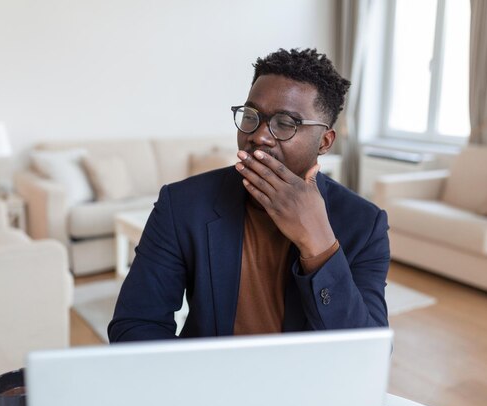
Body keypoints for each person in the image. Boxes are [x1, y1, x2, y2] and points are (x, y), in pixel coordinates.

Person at [108, 48, 390, 342]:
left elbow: (368, 348)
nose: (259, 135)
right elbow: (135, 325)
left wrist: (318, 243)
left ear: (325, 141)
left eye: (285, 123)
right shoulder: (181, 204)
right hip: (208, 380)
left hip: (308, 384)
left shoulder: (365, 224)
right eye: (252, 116)